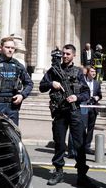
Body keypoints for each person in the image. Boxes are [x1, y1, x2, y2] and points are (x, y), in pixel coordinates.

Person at [39, 44, 96, 187]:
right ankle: (58, 171)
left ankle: (82, 174)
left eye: (68, 54)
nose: (65, 56)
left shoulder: (78, 72)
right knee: (59, 143)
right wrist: (52, 83)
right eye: (63, 54)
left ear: (74, 56)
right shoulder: (53, 71)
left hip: (74, 111)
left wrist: (76, 98)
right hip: (59, 112)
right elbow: (42, 86)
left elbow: (86, 93)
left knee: (79, 144)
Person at [67, 66, 102, 157]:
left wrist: (97, 97)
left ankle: (87, 146)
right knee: (78, 127)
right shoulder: (82, 81)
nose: (94, 73)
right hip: (83, 107)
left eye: (95, 71)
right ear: (87, 73)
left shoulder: (97, 83)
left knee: (90, 129)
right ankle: (72, 150)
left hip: (93, 108)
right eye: (92, 71)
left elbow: (100, 94)